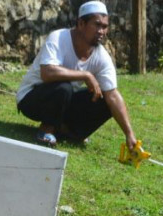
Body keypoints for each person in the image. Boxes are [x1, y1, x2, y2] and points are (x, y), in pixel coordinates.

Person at [16, 1, 137, 150]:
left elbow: (112, 95)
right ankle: (46, 130)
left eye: (104, 27)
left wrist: (129, 134)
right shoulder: (58, 38)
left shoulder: (101, 56)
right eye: (97, 25)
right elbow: (47, 73)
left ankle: (70, 133)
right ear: (81, 23)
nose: (101, 31)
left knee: (105, 100)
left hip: (63, 102)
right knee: (63, 87)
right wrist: (86, 75)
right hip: (32, 99)